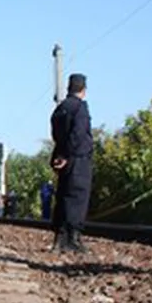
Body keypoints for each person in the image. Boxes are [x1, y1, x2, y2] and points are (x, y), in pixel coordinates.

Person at [50, 73, 93, 253]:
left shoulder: (60, 108)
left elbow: (56, 134)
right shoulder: (80, 108)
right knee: (78, 198)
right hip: (78, 158)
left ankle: (59, 239)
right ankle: (73, 240)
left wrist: (59, 155)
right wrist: (68, 154)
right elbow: (78, 134)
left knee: (63, 197)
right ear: (83, 90)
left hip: (63, 159)